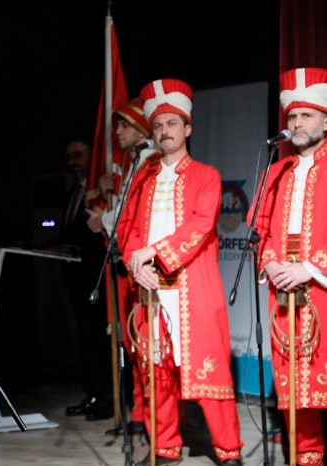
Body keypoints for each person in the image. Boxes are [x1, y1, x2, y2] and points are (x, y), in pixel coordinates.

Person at [117, 78, 243, 466]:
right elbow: (128, 229)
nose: (163, 132)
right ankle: (165, 447)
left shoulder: (206, 175)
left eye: (171, 124)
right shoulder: (141, 179)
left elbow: (200, 225)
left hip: (192, 288)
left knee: (210, 375)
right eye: (157, 126)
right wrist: (135, 262)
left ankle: (229, 451)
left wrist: (152, 253)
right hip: (149, 286)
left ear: (187, 129)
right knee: (157, 373)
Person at [248, 66, 327, 465]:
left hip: (322, 288)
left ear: (325, 120)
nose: (296, 123)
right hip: (284, 291)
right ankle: (307, 457)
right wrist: (272, 263)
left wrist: (311, 268)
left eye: (306, 115)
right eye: (292, 116)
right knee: (295, 384)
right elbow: (257, 230)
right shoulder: (276, 172)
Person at [86, 97, 155, 436]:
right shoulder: (135, 162)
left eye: (124, 125)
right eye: (115, 125)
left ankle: (155, 418)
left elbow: (134, 213)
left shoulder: (152, 160)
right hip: (127, 263)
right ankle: (141, 416)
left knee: (148, 345)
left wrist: (103, 218)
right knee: (135, 344)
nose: (117, 132)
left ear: (143, 126)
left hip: (148, 266)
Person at [58, 139, 114, 421]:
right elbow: (68, 234)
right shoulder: (72, 193)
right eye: (69, 156)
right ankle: (92, 394)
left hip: (97, 279)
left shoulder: (98, 195)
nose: (72, 162)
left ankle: (107, 399)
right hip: (75, 278)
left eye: (78, 155)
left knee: (99, 341)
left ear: (92, 156)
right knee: (86, 340)